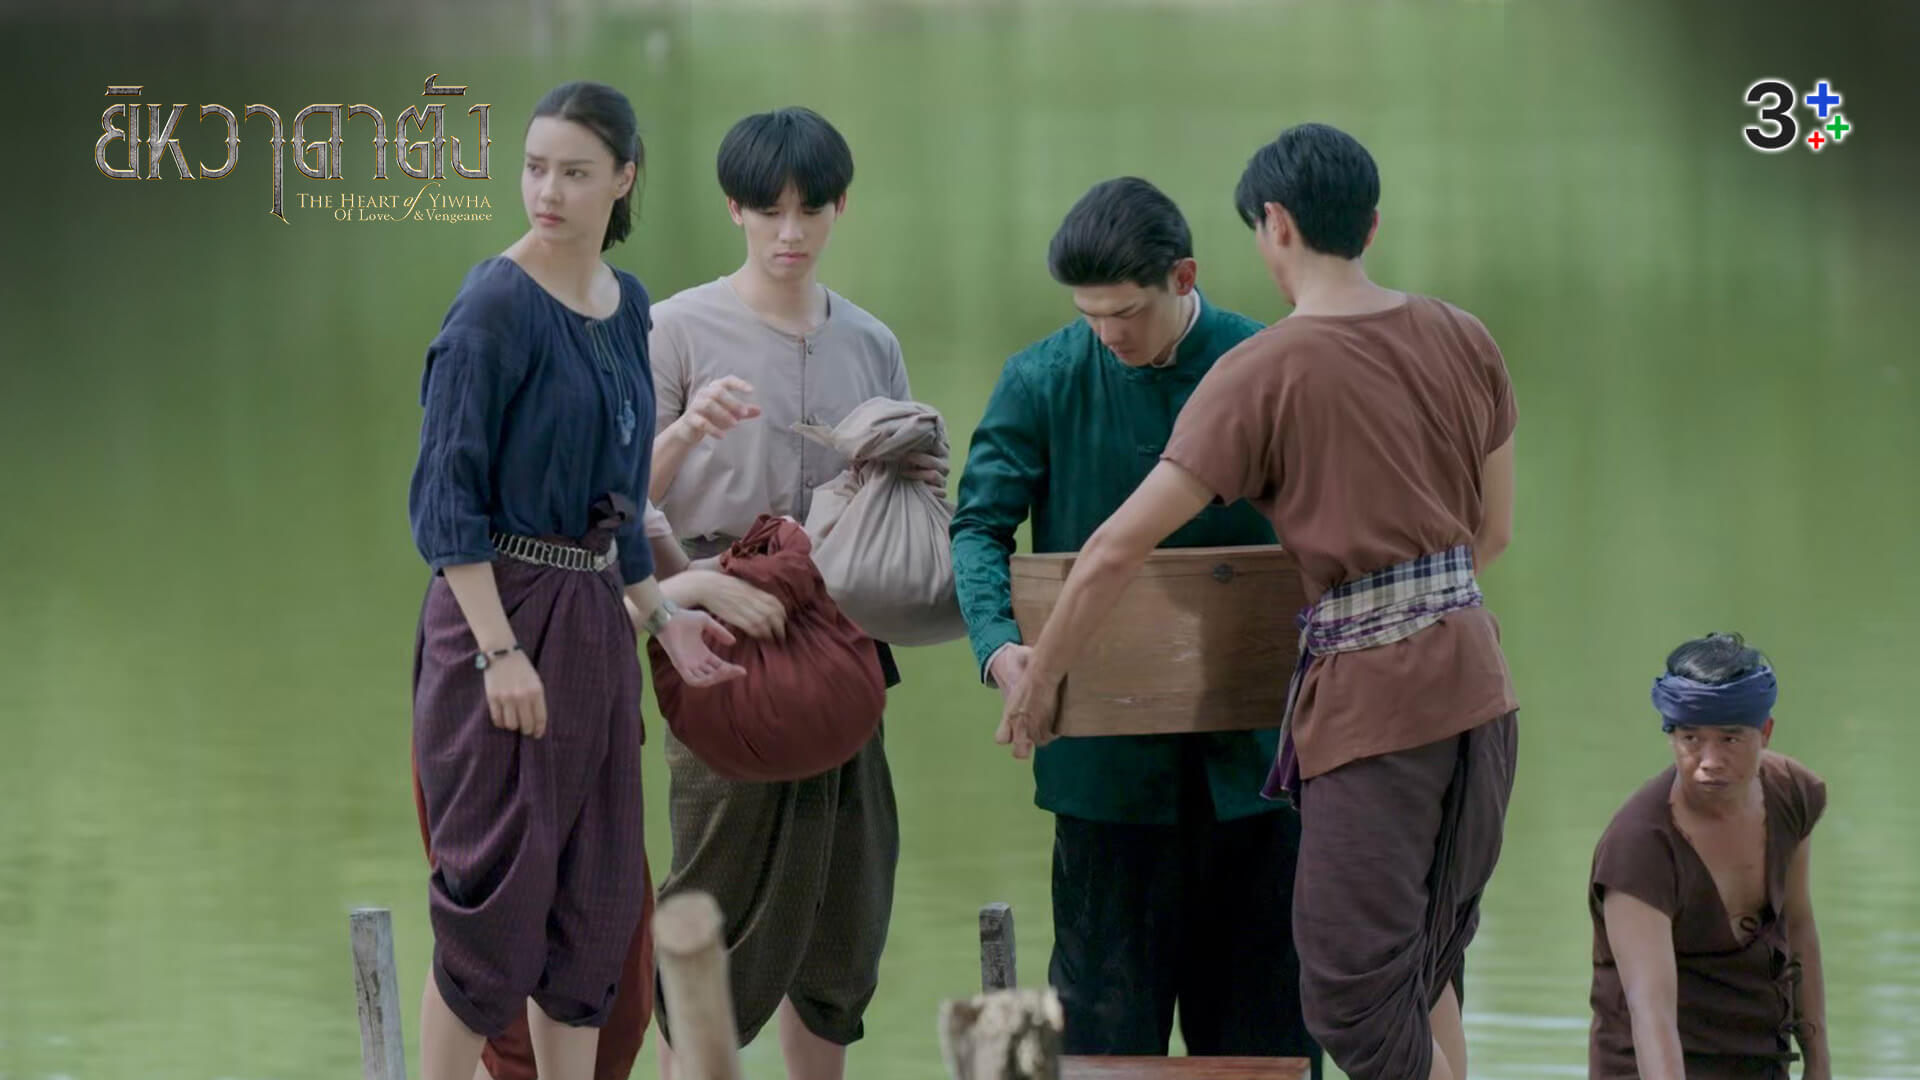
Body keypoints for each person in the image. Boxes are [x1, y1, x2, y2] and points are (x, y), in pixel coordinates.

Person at [997, 123, 1519, 1080]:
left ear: (1275, 224)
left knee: (1351, 1000)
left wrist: (1040, 685)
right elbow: (1493, 534)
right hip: (1480, 693)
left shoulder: (1263, 366)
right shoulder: (1465, 335)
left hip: (1372, 709)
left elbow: (1114, 548)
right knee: (1424, 958)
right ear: (1370, 223)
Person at [406, 81, 742, 1080]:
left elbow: (616, 497)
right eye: (534, 167)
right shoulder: (493, 307)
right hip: (497, 618)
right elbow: (446, 503)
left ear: (624, 179)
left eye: (575, 172)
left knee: (592, 906)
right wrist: (498, 654)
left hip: (593, 623)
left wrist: (661, 614)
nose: (547, 192)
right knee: (491, 905)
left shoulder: (625, 305)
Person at [949, 177, 1319, 1071]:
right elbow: (978, 528)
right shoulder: (1042, 380)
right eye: (1089, 315)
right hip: (1105, 780)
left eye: (1125, 313)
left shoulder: (1262, 364)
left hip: (1262, 771)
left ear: (1183, 278)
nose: (1108, 334)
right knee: (1100, 1041)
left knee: (1269, 1039)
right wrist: (1000, 650)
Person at [645, 106, 941, 1080]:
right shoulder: (674, 330)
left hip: (843, 638)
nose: (790, 231)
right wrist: (687, 432)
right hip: (716, 635)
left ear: (838, 207)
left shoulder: (871, 341)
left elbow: (902, 502)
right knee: (714, 900)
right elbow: (610, 500)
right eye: (768, 210)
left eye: (810, 209)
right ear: (732, 208)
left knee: (844, 908)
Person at [1589, 633, 1829, 1079]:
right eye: (1691, 738)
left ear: (1765, 733)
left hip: (1760, 1059)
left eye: (1730, 739)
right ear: (1671, 735)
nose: (1709, 760)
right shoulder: (1639, 848)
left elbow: (1798, 927)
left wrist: (1819, 1064)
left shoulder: (1792, 795)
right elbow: (1651, 1012)